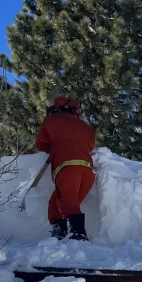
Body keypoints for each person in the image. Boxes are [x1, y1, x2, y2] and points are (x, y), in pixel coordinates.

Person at [34, 88, 96, 241]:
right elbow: (90, 145)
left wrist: (54, 148)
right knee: (58, 201)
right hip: (87, 170)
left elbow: (41, 143)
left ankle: (78, 236)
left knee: (68, 203)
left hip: (67, 168)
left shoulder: (52, 120)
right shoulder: (86, 127)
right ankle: (59, 232)